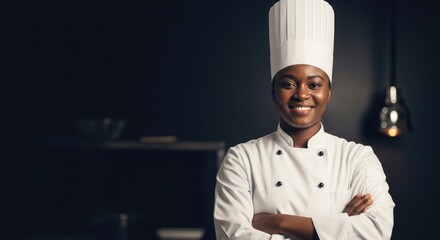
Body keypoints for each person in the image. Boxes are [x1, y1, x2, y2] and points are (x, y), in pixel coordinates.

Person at [213, 0, 395, 239]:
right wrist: (337, 226)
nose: (301, 94)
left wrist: (278, 222)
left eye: (314, 84)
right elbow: (232, 235)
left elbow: (377, 231)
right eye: (288, 84)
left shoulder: (357, 158)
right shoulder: (242, 159)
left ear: (328, 93)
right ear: (273, 91)